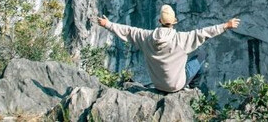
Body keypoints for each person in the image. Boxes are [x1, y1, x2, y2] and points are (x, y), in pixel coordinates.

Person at [97, 5, 240, 93]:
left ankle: (184, 86)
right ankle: (190, 89)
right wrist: (226, 25)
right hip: (176, 85)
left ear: (159, 21)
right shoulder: (181, 39)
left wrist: (107, 24)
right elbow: (204, 33)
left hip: (158, 84)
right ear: (174, 22)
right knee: (201, 55)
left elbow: (127, 31)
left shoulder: (146, 37)